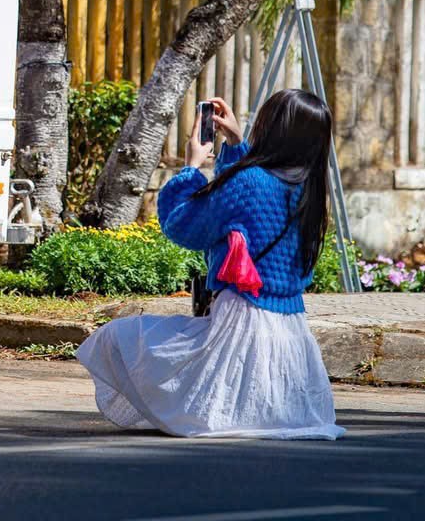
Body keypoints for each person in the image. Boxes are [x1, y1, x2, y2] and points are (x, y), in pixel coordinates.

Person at [75, 89, 344, 440]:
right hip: (291, 330)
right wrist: (234, 143)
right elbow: (249, 199)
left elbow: (185, 225)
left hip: (237, 319)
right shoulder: (309, 190)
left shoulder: (249, 183)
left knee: (116, 338)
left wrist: (190, 167)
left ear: (271, 128)